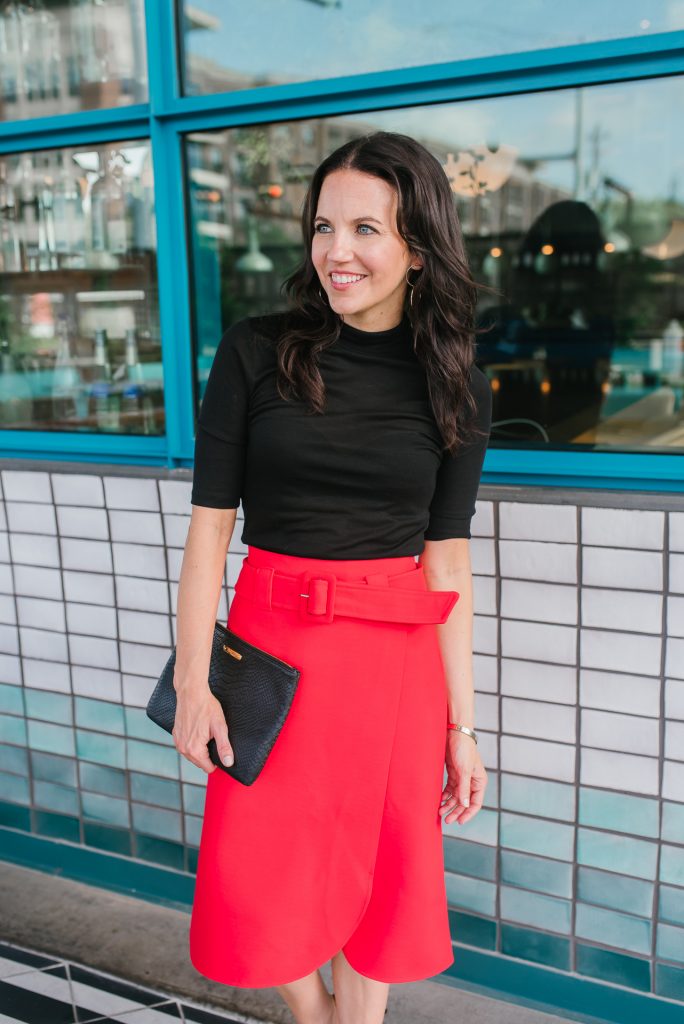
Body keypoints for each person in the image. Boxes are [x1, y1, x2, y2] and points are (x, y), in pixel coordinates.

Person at [173, 130, 493, 1024]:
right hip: (272, 651)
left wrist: (463, 725)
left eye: (365, 229)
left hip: (396, 670)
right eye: (322, 227)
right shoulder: (254, 351)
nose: (335, 253)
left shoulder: (457, 384)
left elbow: (449, 561)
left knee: (379, 878)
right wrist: (195, 684)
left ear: (419, 250)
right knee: (266, 872)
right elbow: (208, 536)